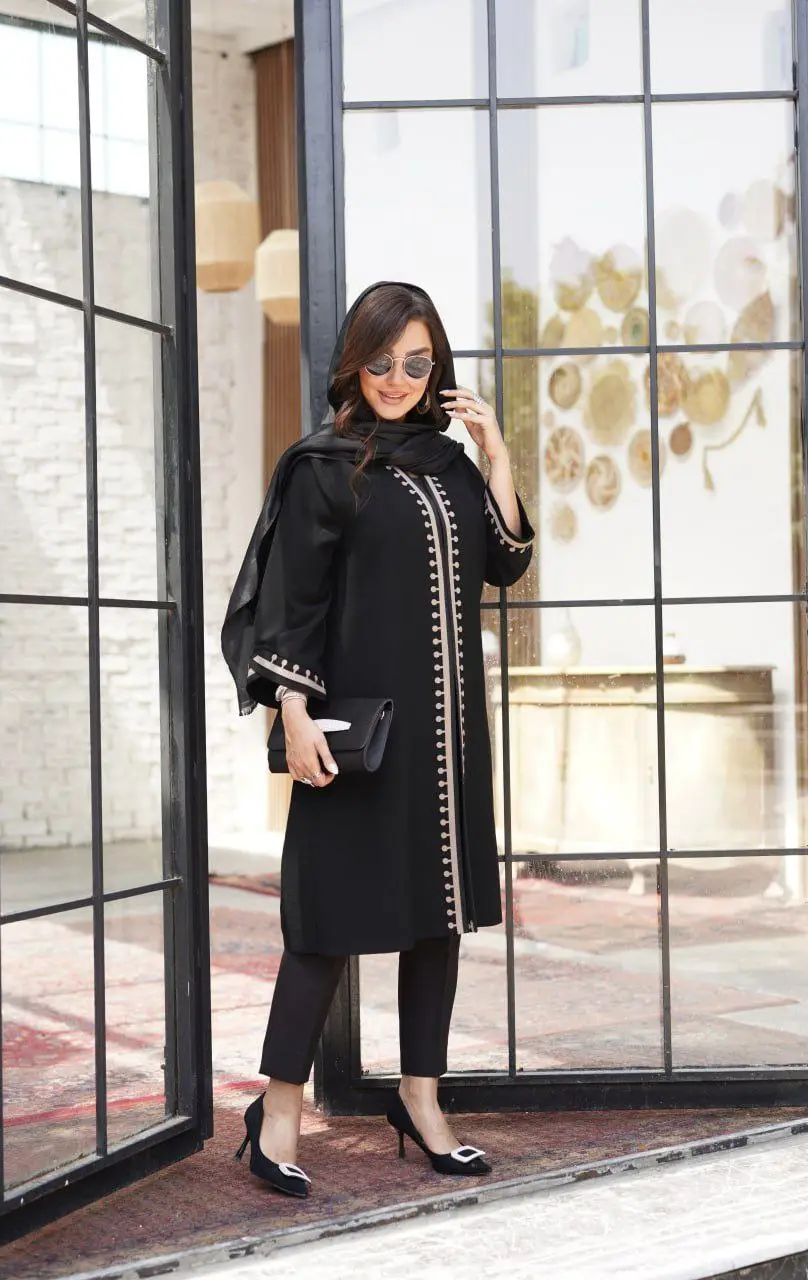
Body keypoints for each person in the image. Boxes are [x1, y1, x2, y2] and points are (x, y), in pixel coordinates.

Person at [222, 281, 534, 1197]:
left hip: (446, 737)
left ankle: (420, 1099)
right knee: (325, 920)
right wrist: (291, 713)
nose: (398, 380)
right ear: (353, 365)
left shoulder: (451, 466)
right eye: (382, 362)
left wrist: (497, 455)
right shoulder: (322, 466)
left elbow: (505, 561)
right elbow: (290, 604)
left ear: (437, 369)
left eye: (417, 363)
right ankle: (279, 1107)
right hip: (357, 735)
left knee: (437, 918)